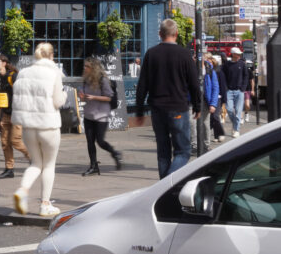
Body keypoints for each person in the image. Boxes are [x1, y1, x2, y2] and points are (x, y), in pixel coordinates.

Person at [134, 18, 200, 178]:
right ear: (176, 34)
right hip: (178, 107)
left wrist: (139, 111)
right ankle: (168, 184)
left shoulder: (151, 54)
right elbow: (194, 83)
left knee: (163, 152)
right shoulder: (184, 54)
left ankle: (163, 187)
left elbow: (142, 84)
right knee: (183, 151)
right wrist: (198, 106)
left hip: (157, 109)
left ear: (160, 34)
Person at [11, 42, 67, 219]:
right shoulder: (54, 72)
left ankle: (23, 190)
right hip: (48, 124)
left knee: (35, 163)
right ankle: (45, 205)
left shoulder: (24, 73)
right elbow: (58, 101)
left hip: (29, 126)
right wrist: (65, 95)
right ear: (51, 56)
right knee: (49, 165)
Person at [78, 57, 121, 175]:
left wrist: (94, 97)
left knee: (100, 141)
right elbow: (82, 92)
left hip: (101, 114)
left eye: (87, 66)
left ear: (93, 68)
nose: (84, 68)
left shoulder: (103, 80)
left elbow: (109, 97)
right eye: (84, 66)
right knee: (90, 141)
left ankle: (114, 153)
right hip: (89, 114)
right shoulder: (85, 80)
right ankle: (93, 166)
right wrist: (81, 96)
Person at [0, 55, 30, 178]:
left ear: (4, 63)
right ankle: (9, 168)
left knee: (15, 141)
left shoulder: (13, 76)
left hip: (17, 113)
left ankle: (34, 158)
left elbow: (24, 93)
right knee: (5, 143)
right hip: (6, 113)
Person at [223, 46, 250, 138]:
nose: (239, 55)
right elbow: (223, 77)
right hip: (229, 91)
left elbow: (246, 76)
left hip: (239, 91)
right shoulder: (226, 64)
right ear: (233, 54)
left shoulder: (242, 64)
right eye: (237, 54)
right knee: (229, 109)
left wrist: (243, 88)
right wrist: (226, 88)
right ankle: (235, 125)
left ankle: (236, 130)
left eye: (239, 54)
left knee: (238, 112)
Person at [204, 54, 226, 142]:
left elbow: (222, 86)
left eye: (209, 61)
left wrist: (224, 99)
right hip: (209, 98)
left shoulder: (218, 72)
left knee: (215, 117)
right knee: (211, 118)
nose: (208, 63)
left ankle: (220, 133)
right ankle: (215, 136)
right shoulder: (205, 71)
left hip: (218, 97)